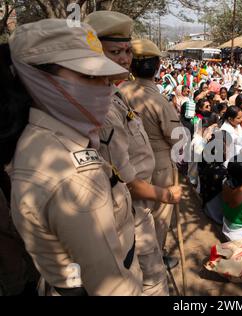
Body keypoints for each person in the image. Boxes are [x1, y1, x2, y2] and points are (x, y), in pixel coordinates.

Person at [6, 19, 144, 295]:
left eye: (105, 77)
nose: (104, 86)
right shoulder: (72, 174)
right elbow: (111, 287)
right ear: (37, 77)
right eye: (88, 76)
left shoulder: (58, 136)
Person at [85, 11, 183, 294]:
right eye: (115, 51)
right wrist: (167, 194)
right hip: (134, 197)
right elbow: (126, 177)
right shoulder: (102, 107)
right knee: (151, 264)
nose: (125, 58)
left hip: (138, 189)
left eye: (128, 51)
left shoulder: (118, 92)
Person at [120, 39, 184, 267]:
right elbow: (177, 138)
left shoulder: (118, 92)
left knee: (133, 214)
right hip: (158, 166)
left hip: (125, 162)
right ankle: (154, 259)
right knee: (157, 216)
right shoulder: (159, 100)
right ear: (157, 65)